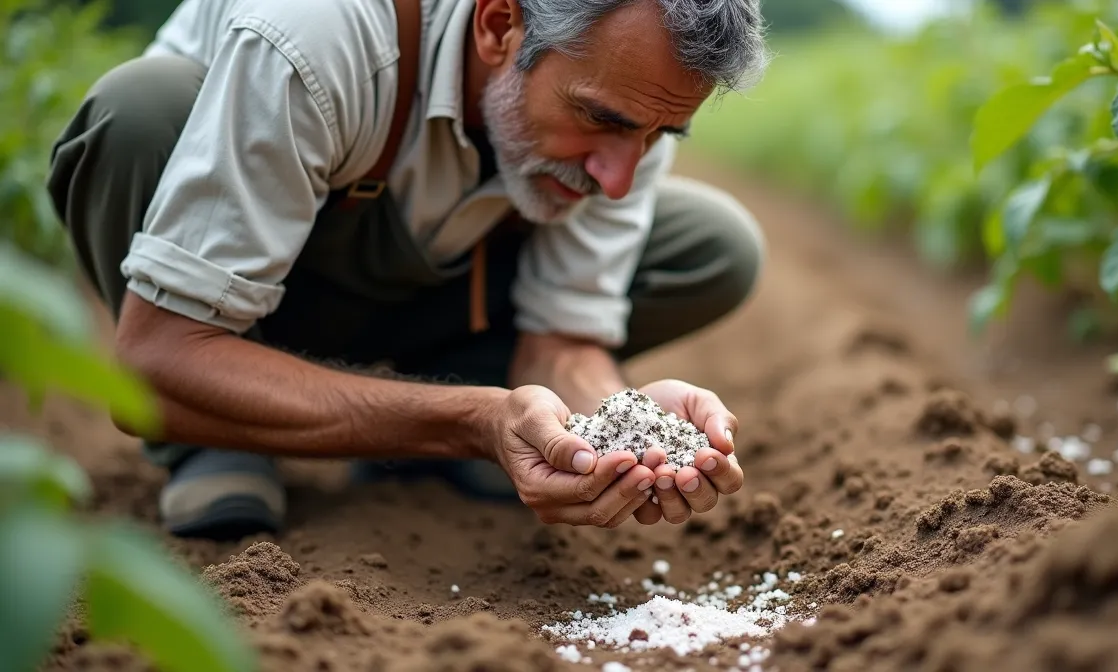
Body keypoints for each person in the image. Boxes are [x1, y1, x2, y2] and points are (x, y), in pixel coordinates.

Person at [45, 0, 771, 540]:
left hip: (423, 285)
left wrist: (626, 428)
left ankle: (435, 419)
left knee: (714, 244)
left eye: (660, 134)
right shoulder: (320, 33)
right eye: (604, 121)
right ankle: (212, 437)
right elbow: (154, 359)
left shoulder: (631, 98)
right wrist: (473, 422)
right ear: (498, 25)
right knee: (138, 110)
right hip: (242, 297)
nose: (620, 178)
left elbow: (564, 340)